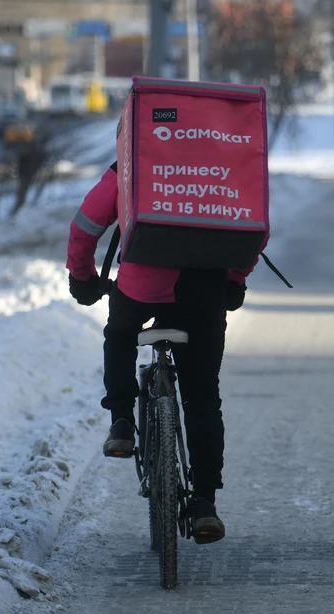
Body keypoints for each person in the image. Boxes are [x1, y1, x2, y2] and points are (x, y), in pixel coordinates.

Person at [66, 161, 256, 544]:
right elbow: (253, 225)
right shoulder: (221, 163)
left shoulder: (133, 159)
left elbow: (85, 225)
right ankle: (204, 502)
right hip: (203, 290)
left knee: (120, 333)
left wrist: (82, 276)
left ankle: (121, 423)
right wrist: (234, 279)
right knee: (202, 395)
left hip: (141, 286)